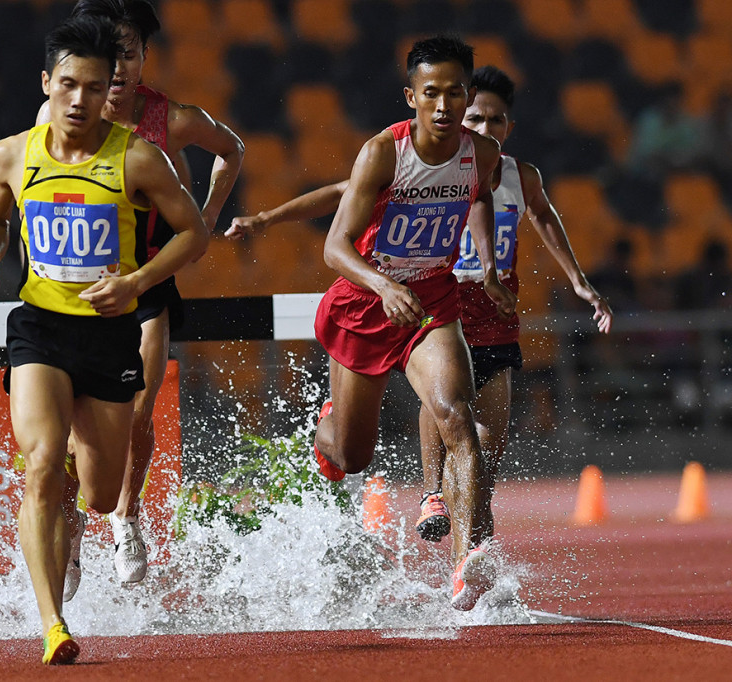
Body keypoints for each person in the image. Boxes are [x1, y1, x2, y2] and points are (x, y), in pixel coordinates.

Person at [229, 65, 614, 560]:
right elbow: (341, 197)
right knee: (384, 441)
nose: (482, 128)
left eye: (495, 121)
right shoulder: (402, 154)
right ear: (421, 100)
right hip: (412, 304)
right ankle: (431, 489)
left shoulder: (506, 171)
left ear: (507, 129)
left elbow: (506, 206)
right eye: (475, 117)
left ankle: (468, 567)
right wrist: (266, 218)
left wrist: (553, 280)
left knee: (478, 449)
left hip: (478, 319)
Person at [0, 16, 208, 664]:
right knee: (41, 464)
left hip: (107, 336)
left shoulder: (137, 157)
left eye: (92, 88)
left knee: (100, 497)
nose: (78, 100)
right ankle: (53, 624)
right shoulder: (13, 152)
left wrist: (137, 282)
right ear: (47, 83)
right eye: (67, 84)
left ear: (111, 93)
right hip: (39, 327)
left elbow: (192, 233)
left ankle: (78, 468)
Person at [298, 35, 514, 612]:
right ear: (412, 97)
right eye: (431, 94)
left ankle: (467, 564)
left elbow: (482, 197)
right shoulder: (382, 153)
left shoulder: (482, 156)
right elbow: (335, 248)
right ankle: (331, 423)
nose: (443, 107)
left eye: (454, 93)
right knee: (352, 456)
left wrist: (487, 262)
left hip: (431, 306)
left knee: (456, 417)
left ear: (467, 94)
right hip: (366, 304)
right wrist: (383, 284)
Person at [40, 0, 244, 592]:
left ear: (144, 56)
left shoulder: (171, 119)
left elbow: (231, 150)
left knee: (138, 410)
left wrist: (203, 221)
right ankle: (71, 531)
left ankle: (127, 520)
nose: (122, 67)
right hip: (80, 291)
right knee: (78, 428)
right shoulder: (58, 118)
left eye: (131, 52)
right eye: (112, 53)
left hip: (149, 279)